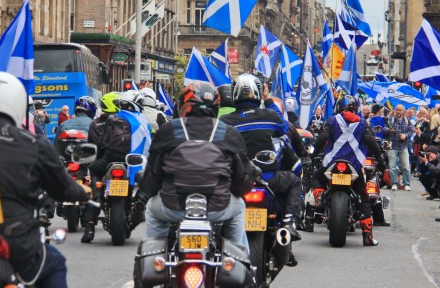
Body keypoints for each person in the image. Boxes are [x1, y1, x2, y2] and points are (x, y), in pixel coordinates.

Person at [0, 72, 91, 288]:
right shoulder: (33, 143)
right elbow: (62, 189)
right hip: (15, 238)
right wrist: (82, 191)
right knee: (56, 264)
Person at [139, 82, 254, 250]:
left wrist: (146, 189)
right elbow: (242, 183)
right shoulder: (229, 133)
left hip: (173, 205)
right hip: (217, 207)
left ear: (184, 106)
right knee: (239, 209)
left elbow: (153, 177)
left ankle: (154, 256)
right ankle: (239, 260)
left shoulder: (168, 130)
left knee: (151, 209)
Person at [220, 74, 303, 241]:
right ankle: (288, 222)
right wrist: (269, 100)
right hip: (269, 179)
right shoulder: (270, 116)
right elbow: (284, 127)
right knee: (295, 181)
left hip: (236, 182)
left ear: (234, 94)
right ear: (259, 93)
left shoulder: (225, 121)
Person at [312, 95, 387, 246]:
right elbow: (371, 141)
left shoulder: (333, 120)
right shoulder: (362, 123)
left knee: (317, 177)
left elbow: (322, 137)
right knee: (364, 197)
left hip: (332, 163)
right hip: (354, 165)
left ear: (340, 106)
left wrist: (313, 154)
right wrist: (380, 159)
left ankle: (319, 200)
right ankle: (367, 236)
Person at [81, 92, 132, 243]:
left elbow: (94, 146)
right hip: (126, 161)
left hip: (105, 161)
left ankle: (89, 227)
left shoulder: (95, 123)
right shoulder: (127, 120)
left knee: (95, 192)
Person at [384, 104, 414, 191]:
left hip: (403, 146)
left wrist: (405, 135)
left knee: (405, 166)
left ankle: (406, 183)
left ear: (403, 111)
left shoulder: (407, 121)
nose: (398, 112)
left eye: (400, 110)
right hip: (392, 146)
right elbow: (384, 129)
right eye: (397, 110)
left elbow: (411, 131)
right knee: (392, 166)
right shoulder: (390, 120)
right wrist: (388, 130)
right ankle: (394, 183)